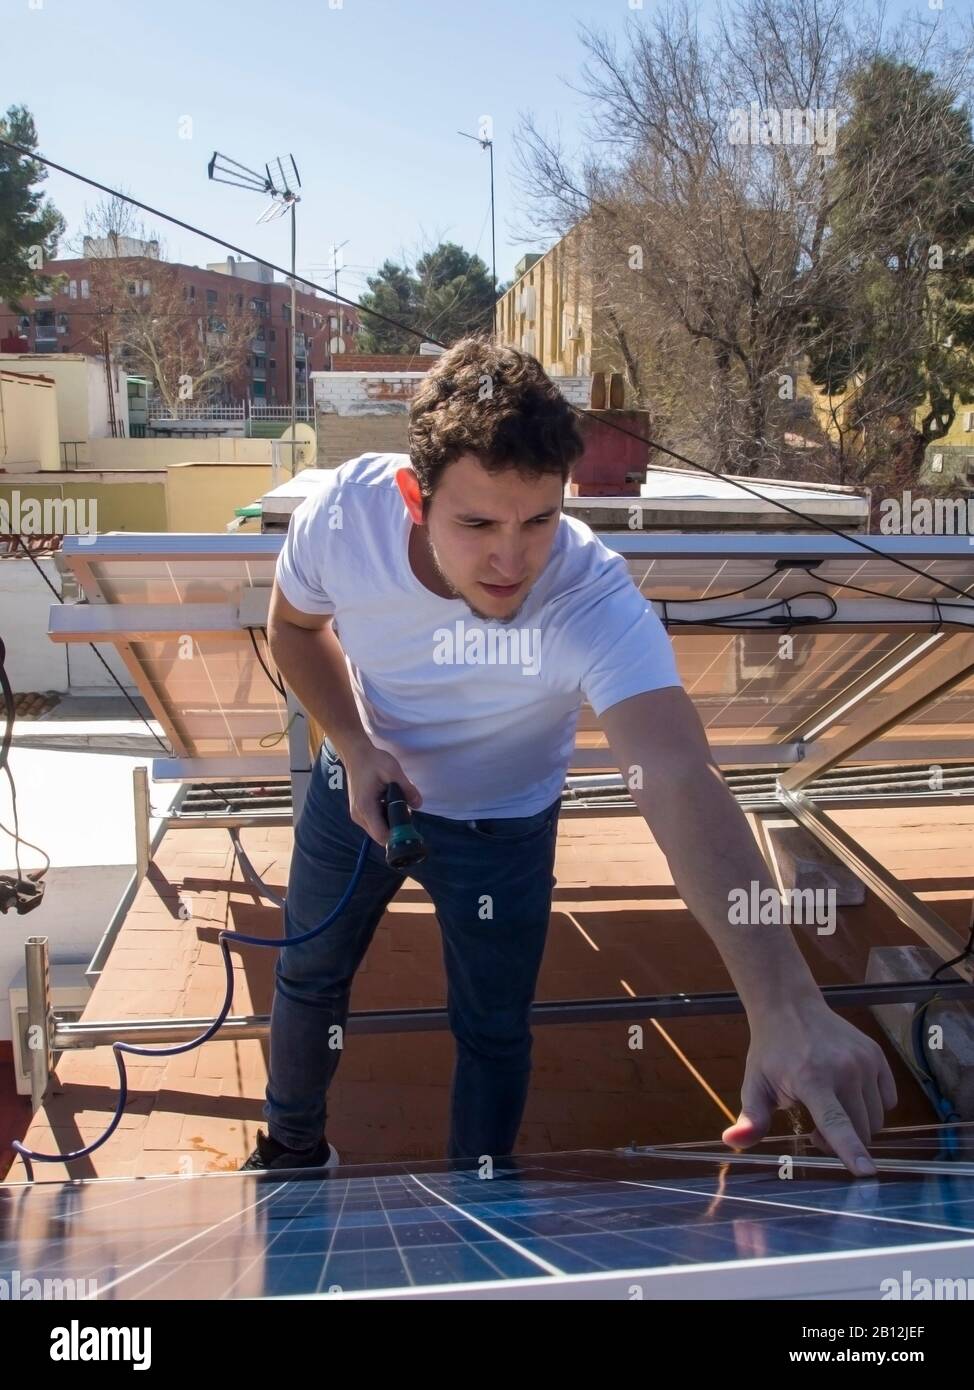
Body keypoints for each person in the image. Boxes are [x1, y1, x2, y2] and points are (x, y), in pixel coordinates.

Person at [241, 336, 895, 1174]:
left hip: (503, 830)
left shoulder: (589, 593)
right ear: (415, 496)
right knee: (307, 975)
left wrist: (784, 999)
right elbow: (293, 630)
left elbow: (674, 774)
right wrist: (356, 746)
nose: (511, 559)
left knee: (494, 1027)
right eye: (476, 523)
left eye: (539, 520)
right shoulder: (344, 516)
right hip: (362, 792)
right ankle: (291, 1152)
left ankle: (480, 1203)